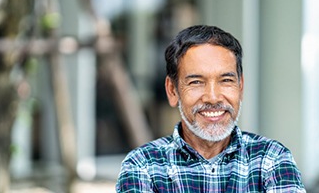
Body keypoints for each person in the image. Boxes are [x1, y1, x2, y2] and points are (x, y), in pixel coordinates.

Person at [116, 25, 305, 192]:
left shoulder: (271, 159)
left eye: (226, 81)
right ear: (172, 91)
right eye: (196, 82)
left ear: (240, 87)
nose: (213, 97)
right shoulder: (143, 166)